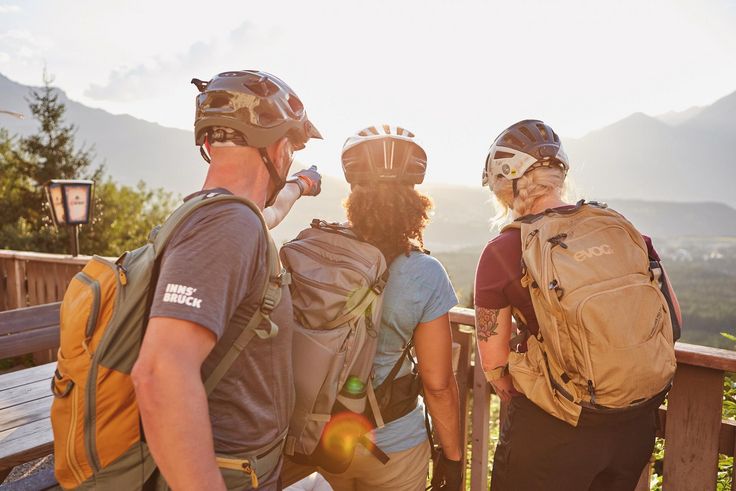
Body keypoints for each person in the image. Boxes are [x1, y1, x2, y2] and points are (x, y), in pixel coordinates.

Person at [131, 70, 322, 491]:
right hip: (228, 472)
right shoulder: (228, 227)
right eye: (291, 147)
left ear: (207, 145)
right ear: (278, 148)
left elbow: (268, 215)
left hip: (241, 466)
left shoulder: (220, 214)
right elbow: (159, 373)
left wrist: (299, 186)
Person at [474, 119, 682, 490]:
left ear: (506, 185)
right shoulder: (624, 230)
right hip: (633, 425)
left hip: (553, 429)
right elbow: (674, 323)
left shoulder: (504, 250)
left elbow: (494, 364)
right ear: (560, 176)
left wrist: (531, 396)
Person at [316, 125, 463, 491]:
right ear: (413, 198)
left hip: (318, 436)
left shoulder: (318, 252)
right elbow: (438, 384)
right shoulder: (425, 272)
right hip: (394, 443)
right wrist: (453, 458)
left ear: (353, 192)